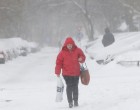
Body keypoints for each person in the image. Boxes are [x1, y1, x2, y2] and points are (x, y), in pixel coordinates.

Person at [55, 37, 86, 108]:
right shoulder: (62, 53)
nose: (69, 46)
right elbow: (58, 62)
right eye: (68, 44)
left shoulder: (77, 50)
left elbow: (83, 56)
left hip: (76, 72)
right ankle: (70, 102)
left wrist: (81, 58)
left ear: (73, 44)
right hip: (67, 74)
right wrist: (57, 72)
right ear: (66, 45)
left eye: (71, 44)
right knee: (69, 87)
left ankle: (75, 101)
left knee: (75, 87)